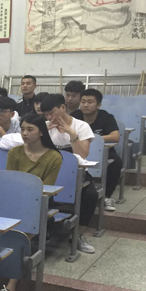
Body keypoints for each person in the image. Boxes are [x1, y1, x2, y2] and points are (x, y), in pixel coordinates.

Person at [0, 113, 62, 291]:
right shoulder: (14, 152)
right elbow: (10, 182)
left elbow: (44, 189)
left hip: (38, 204)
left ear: (41, 132)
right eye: (22, 129)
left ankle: (11, 286)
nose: (24, 133)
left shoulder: (54, 157)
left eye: (30, 129)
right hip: (12, 201)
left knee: (20, 237)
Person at [40, 94, 97, 254]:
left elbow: (83, 154)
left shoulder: (81, 126)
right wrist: (42, 134)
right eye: (46, 114)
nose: (49, 117)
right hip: (50, 171)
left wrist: (71, 134)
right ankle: (45, 229)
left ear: (63, 107)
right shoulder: (44, 127)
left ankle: (77, 235)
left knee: (90, 195)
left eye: (52, 112)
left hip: (76, 173)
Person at [70, 89, 122, 211]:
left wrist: (90, 138)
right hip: (79, 151)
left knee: (116, 162)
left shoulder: (106, 117)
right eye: (83, 102)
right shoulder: (74, 117)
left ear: (98, 105)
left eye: (90, 102)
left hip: (103, 152)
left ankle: (107, 196)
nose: (85, 105)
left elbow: (115, 136)